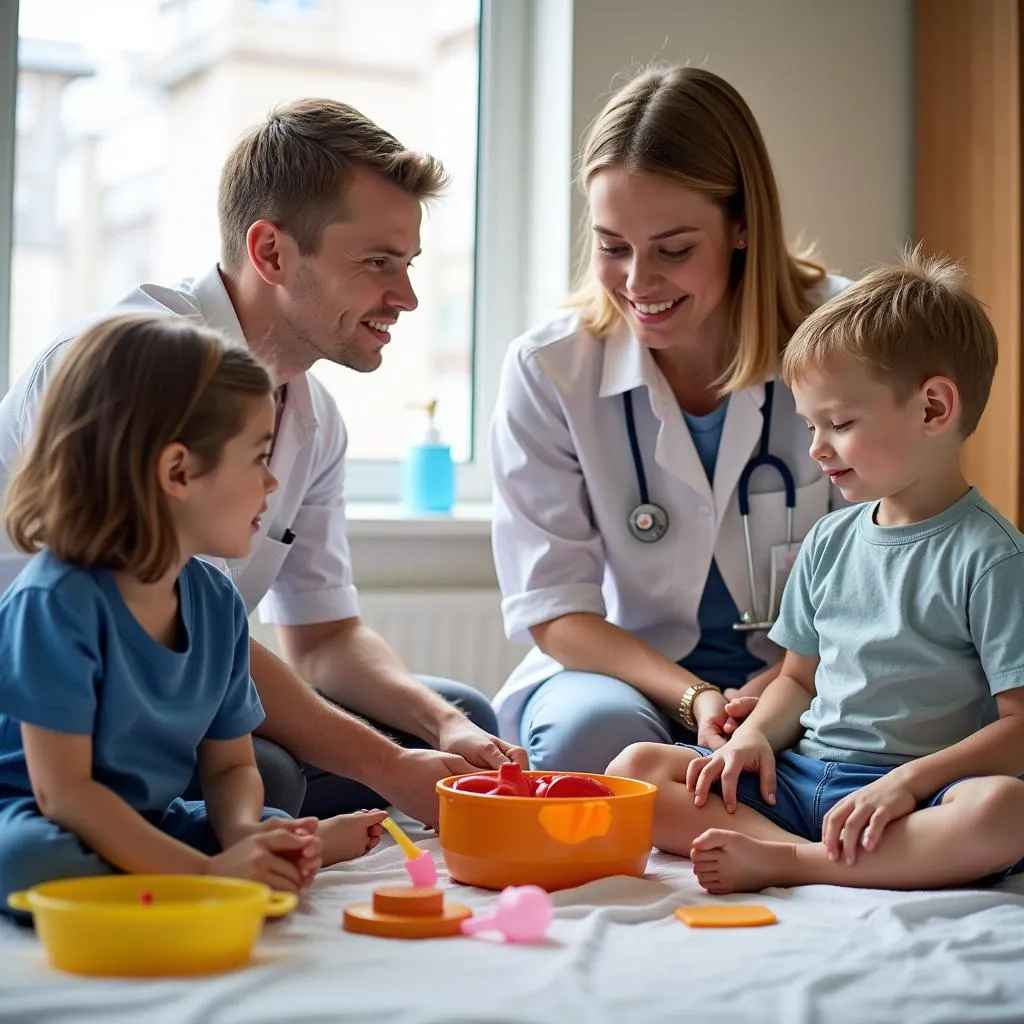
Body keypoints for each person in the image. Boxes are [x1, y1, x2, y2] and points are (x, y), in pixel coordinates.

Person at [0, 99, 526, 827]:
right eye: (377, 262)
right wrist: (388, 766)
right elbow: (190, 630)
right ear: (271, 251)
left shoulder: (314, 419)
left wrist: (442, 730)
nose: (404, 297)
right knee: (270, 771)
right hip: (63, 713)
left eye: (406, 265)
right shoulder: (128, 370)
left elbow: (325, 639)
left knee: (463, 710)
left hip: (184, 696)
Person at [608, 250, 1024, 893]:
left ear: (934, 409)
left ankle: (793, 863)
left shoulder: (991, 558)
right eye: (810, 425)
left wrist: (907, 782)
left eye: (839, 423)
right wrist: (754, 739)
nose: (816, 448)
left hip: (914, 797)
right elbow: (797, 682)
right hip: (804, 779)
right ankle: (799, 851)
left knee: (1003, 813)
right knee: (638, 767)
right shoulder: (830, 541)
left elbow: (1017, 729)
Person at [490, 65, 848, 772]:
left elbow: (888, 560)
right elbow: (557, 610)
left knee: (859, 744)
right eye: (612, 246)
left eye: (673, 250)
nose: (637, 283)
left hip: (814, 669)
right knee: (589, 741)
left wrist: (778, 691)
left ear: (742, 224)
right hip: (627, 677)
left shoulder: (848, 338)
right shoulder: (550, 370)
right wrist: (696, 699)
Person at [0, 315, 390, 917]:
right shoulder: (53, 604)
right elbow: (66, 793)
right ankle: (197, 877)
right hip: (43, 815)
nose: (271, 482)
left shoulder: (214, 600)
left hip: (150, 817)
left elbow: (232, 764)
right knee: (28, 859)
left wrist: (241, 835)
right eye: (258, 459)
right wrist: (211, 871)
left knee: (268, 820)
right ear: (178, 471)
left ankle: (234, 860)